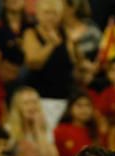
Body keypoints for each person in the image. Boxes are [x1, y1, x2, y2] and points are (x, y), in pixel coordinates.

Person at [22, 0, 77, 130]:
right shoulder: (30, 33)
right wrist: (51, 44)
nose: (50, 17)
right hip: (41, 99)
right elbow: (33, 63)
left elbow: (72, 60)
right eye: (47, 13)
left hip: (64, 98)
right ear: (38, 14)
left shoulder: (65, 33)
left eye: (54, 13)